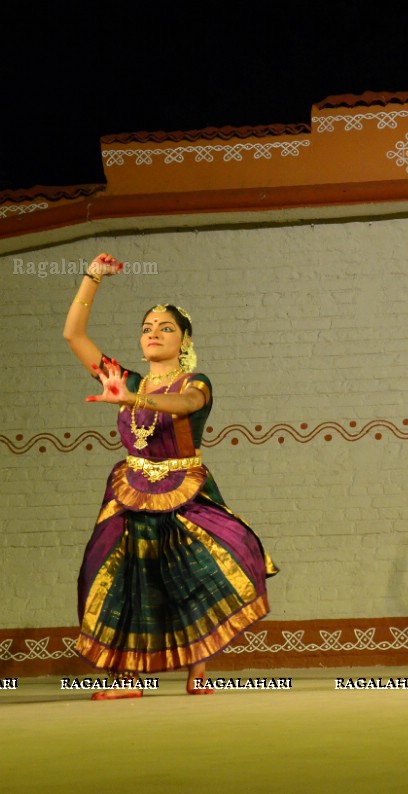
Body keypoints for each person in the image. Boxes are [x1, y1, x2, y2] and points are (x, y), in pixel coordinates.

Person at [63, 253, 277, 698]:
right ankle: (127, 679)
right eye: (146, 328)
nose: (154, 334)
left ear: (183, 341)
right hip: (130, 489)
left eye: (165, 328)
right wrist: (92, 278)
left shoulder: (195, 382)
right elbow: (73, 334)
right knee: (120, 575)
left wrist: (135, 401)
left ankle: (198, 670)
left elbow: (183, 407)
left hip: (185, 489)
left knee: (195, 570)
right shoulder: (129, 380)